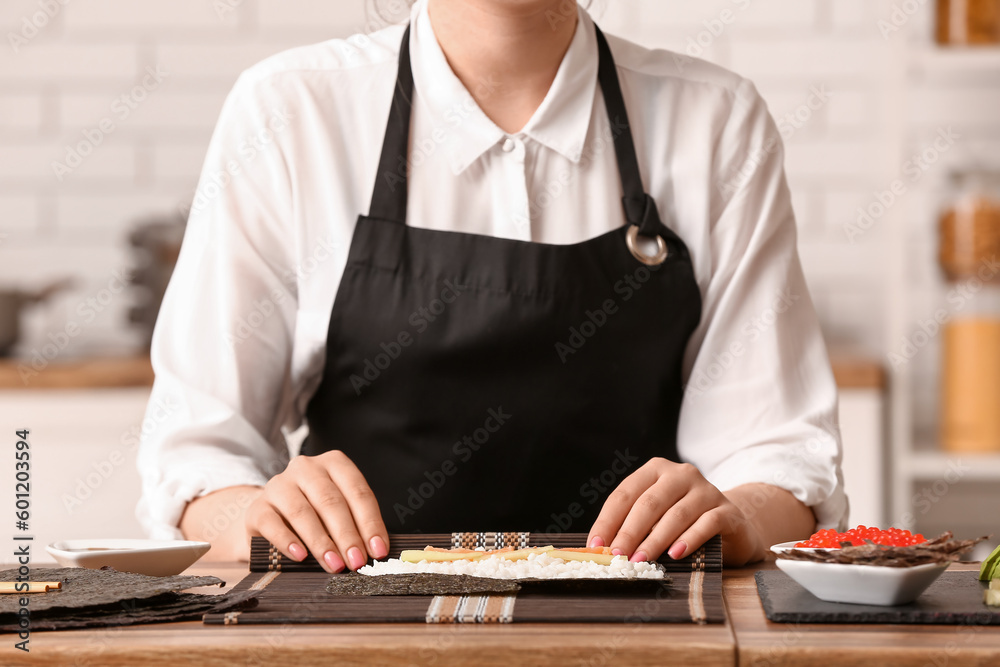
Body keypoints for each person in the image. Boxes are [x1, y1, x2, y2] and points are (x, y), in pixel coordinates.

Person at [137, 0, 847, 573]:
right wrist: (256, 514)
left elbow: (781, 458)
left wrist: (740, 515)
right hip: (351, 636)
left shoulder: (716, 122)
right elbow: (195, 455)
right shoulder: (288, 113)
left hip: (641, 636)